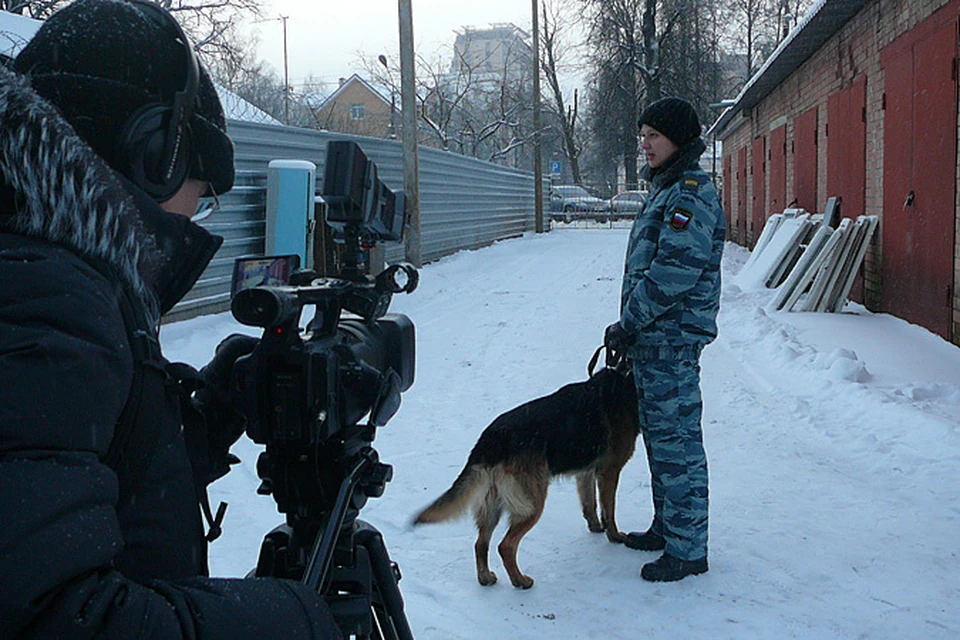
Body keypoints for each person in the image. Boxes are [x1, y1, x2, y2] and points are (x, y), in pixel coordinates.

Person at [0, 1, 342, 637]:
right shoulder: (42, 299)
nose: (195, 218)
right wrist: (292, 618)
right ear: (154, 152)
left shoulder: (46, 276)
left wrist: (206, 418)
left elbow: (74, 467)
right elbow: (49, 615)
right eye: (202, 190)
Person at [604, 96, 725, 582]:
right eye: (643, 134)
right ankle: (668, 529)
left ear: (678, 139)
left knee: (678, 444)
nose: (645, 143)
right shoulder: (666, 188)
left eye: (654, 134)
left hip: (670, 342)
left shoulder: (690, 192)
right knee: (659, 439)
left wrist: (628, 322)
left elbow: (672, 275)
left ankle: (689, 549)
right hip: (653, 344)